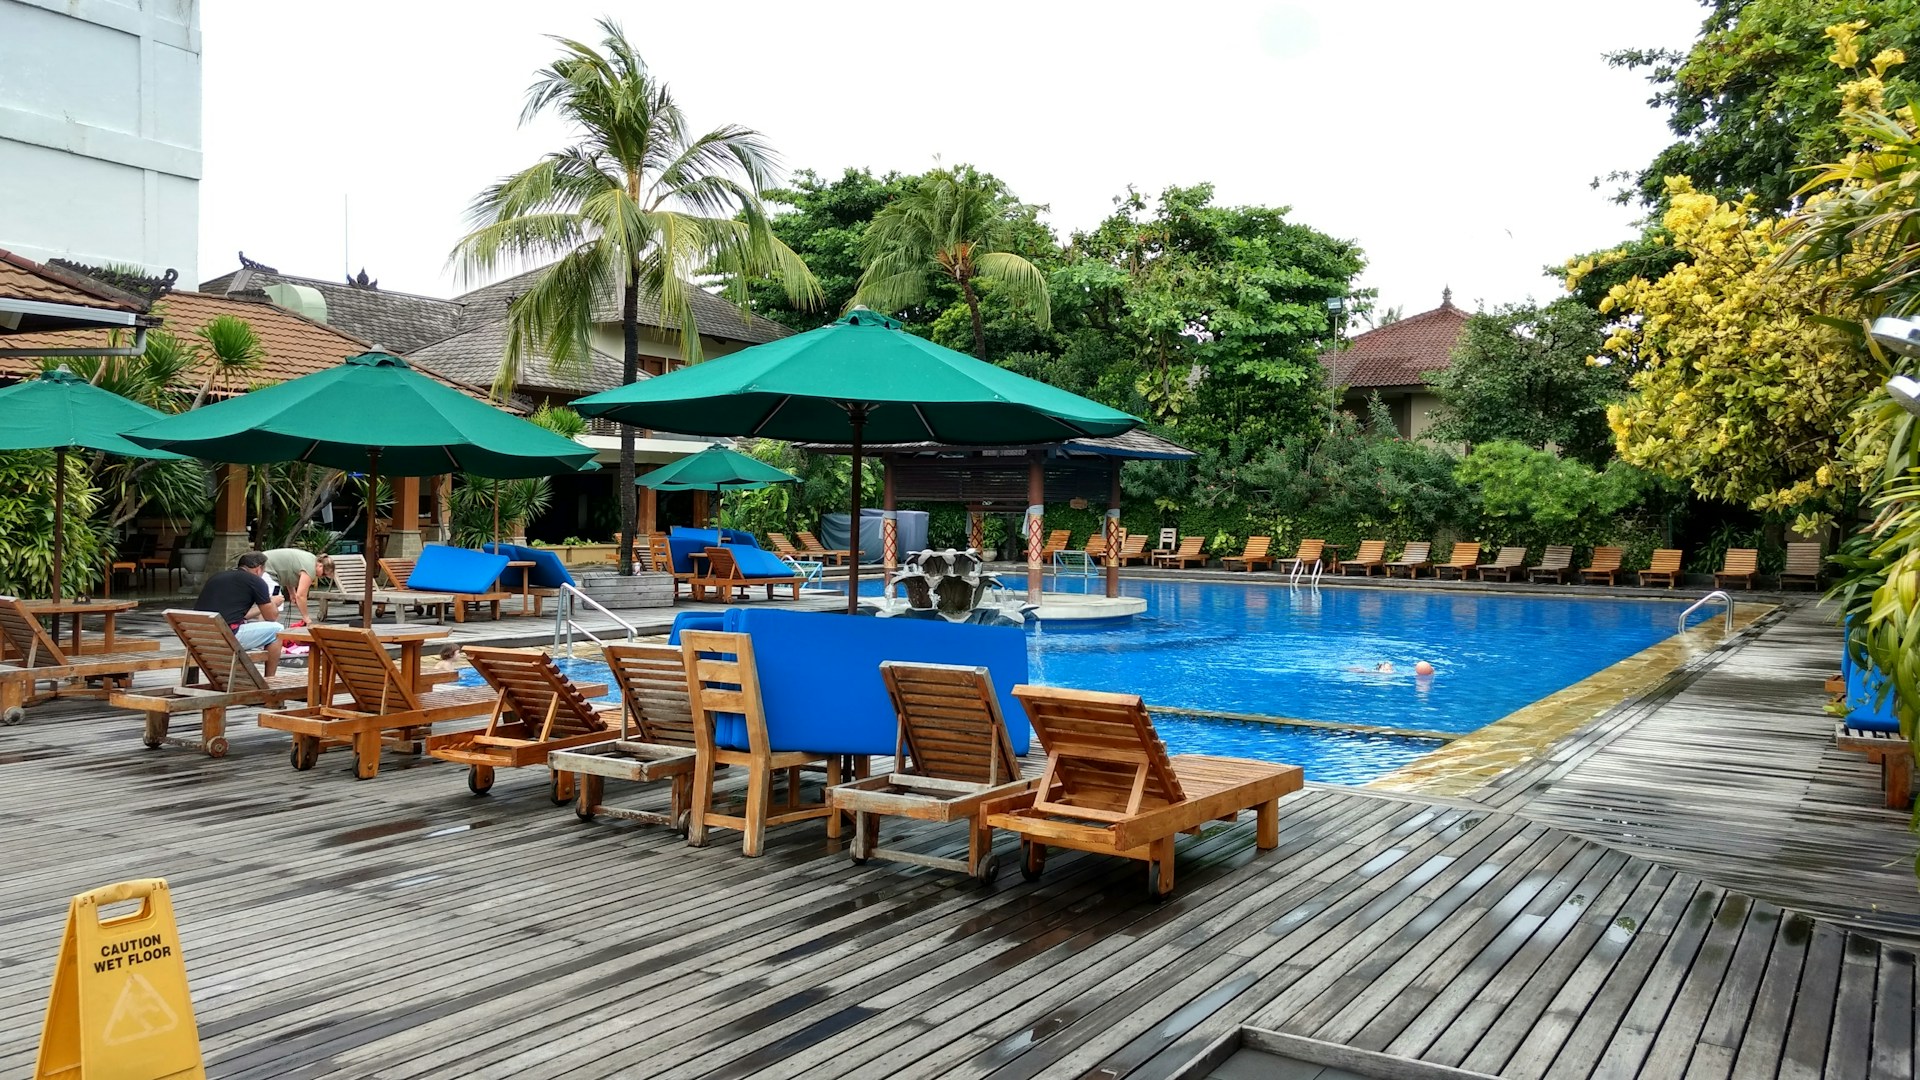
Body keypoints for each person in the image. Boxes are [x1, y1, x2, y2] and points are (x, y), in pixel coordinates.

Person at [194, 552, 283, 676]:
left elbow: (243, 615)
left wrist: (261, 607)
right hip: (225, 638)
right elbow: (271, 617)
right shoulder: (256, 581)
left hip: (198, 636)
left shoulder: (217, 577)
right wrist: (273, 602)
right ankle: (270, 679)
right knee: (278, 630)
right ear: (258, 569)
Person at [260, 547, 332, 627]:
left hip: (263, 566)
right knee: (274, 603)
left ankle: (263, 629)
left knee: (266, 604)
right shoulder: (310, 569)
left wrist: (292, 593)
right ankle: (268, 632)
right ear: (320, 566)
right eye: (323, 574)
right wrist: (306, 618)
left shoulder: (311, 559)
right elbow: (301, 596)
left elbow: (288, 569)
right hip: (266, 571)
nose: (321, 577)